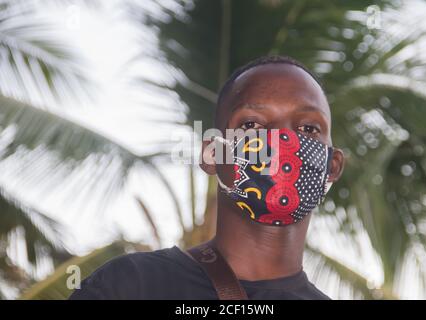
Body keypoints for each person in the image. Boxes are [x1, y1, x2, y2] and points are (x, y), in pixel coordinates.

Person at [69, 55, 345, 300]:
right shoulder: (130, 285)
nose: (283, 140)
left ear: (331, 166)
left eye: (309, 128)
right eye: (251, 125)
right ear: (213, 154)